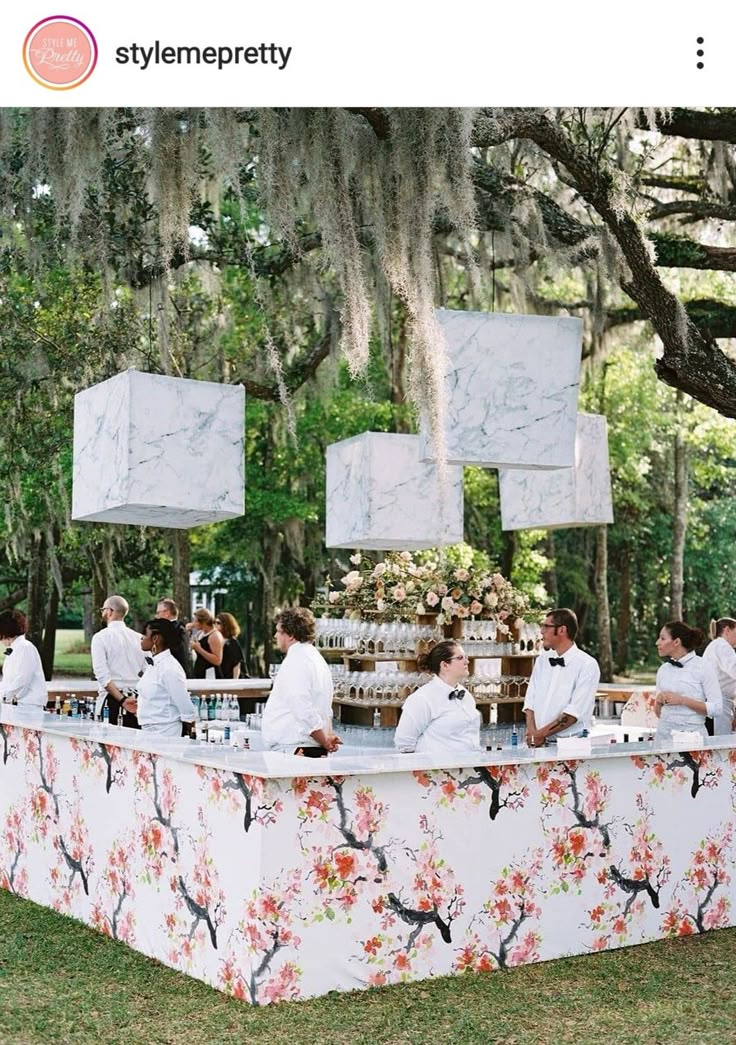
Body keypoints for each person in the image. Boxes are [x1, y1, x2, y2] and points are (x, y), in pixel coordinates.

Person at [262, 607, 340, 756]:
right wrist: (325, 737)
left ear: (291, 634)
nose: (275, 635)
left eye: (279, 631)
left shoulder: (297, 660)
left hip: (296, 748)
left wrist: (324, 740)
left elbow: (302, 707)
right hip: (306, 745)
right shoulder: (315, 657)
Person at [523, 608, 600, 748]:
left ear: (562, 630)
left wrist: (539, 735)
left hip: (571, 746)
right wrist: (533, 733)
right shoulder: (542, 660)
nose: (541, 631)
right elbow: (530, 702)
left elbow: (572, 713)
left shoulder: (587, 664)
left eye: (546, 626)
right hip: (537, 745)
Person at [394, 640, 480, 754]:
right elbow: (404, 744)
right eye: (460, 658)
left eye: (466, 657)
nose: (467, 661)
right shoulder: (422, 699)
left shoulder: (465, 695)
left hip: (470, 766)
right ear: (444, 665)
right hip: (438, 768)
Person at [654, 620, 721, 742]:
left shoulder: (703, 667)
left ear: (676, 642)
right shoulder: (663, 669)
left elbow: (717, 709)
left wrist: (682, 700)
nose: (657, 642)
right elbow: (659, 714)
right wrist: (658, 702)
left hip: (693, 739)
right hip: (663, 738)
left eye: (662, 638)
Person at [90, 595, 147, 725]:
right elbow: (148, 672)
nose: (102, 612)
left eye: (103, 609)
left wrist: (122, 700)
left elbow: (102, 676)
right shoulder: (139, 638)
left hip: (112, 700)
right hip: (137, 699)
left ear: (109, 611)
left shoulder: (100, 638)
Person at [136, 619, 197, 737]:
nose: (141, 638)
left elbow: (186, 708)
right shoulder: (155, 663)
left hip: (166, 732)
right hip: (148, 730)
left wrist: (192, 735)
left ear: (155, 639)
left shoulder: (170, 668)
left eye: (145, 634)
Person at [0, 610, 47, 707]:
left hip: (28, 705)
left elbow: (22, 680)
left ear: (5, 633)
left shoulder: (25, 648)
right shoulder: (14, 648)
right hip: (16, 704)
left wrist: (4, 697)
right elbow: (8, 681)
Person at [702, 617, 736, 735]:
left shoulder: (716, 645)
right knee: (720, 743)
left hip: (715, 700)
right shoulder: (722, 646)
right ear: (727, 630)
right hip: (718, 701)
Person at [155, 597, 191, 677]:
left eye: (158, 613)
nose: (156, 616)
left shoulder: (168, 631)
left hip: (173, 674)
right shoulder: (180, 628)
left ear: (167, 613)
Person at [188, 607, 224, 679]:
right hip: (199, 673)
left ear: (203, 622)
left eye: (196, 621)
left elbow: (217, 660)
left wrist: (199, 649)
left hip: (210, 674)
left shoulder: (215, 636)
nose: (194, 624)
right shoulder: (200, 633)